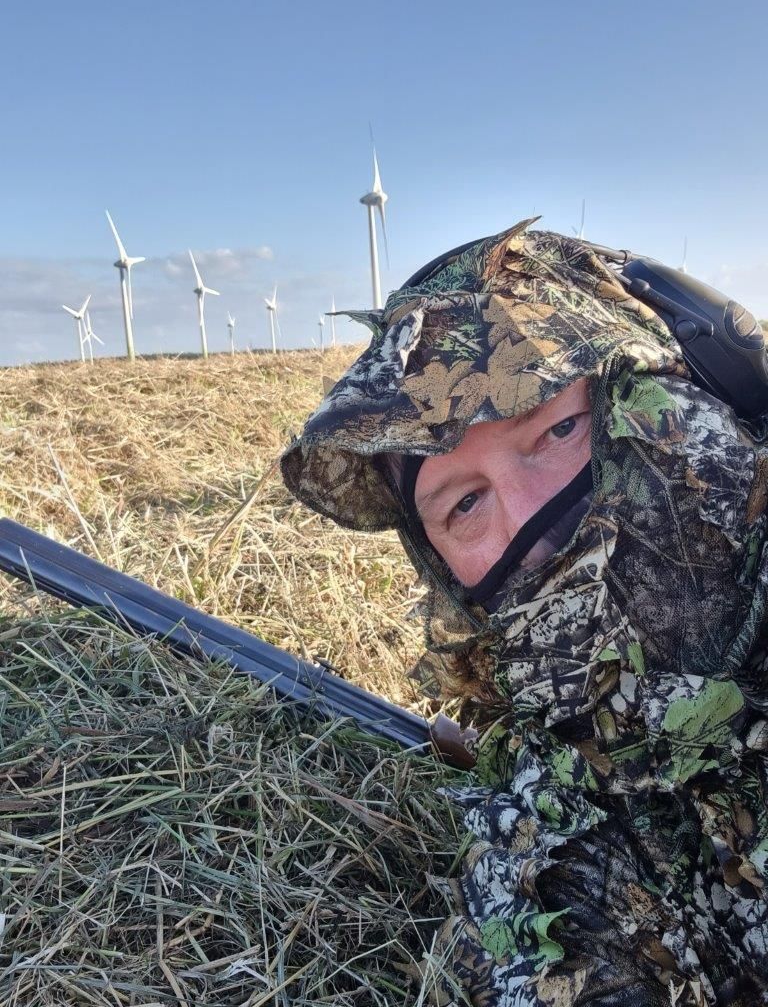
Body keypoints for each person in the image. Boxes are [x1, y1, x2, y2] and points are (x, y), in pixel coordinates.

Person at [280, 219, 768, 1005]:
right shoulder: (551, 860)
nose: (533, 526)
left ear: (698, 389)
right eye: (465, 503)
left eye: (558, 429)